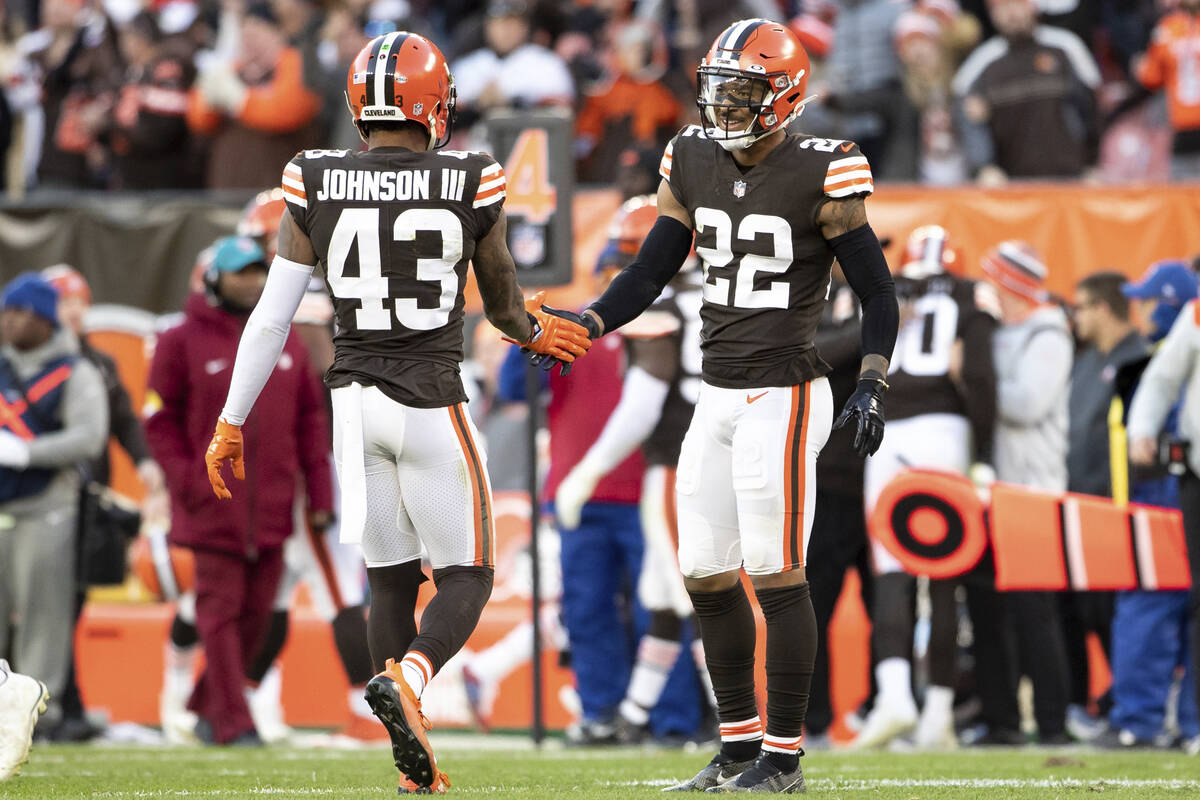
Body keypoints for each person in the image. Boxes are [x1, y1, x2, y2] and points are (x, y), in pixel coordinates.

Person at [202, 31, 591, 793]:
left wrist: (230, 419)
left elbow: (272, 319)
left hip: (354, 407)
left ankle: (408, 762)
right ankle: (413, 677)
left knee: (387, 581)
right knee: (468, 574)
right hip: (430, 401)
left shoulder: (312, 176)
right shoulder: (469, 175)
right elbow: (506, 307)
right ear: (432, 105)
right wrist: (542, 330)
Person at [525, 18, 899, 792]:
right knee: (703, 571)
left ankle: (785, 758)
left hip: (787, 393)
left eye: (744, 90)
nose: (726, 105)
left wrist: (871, 379)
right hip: (717, 392)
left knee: (775, 569)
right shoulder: (690, 155)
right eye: (720, 88)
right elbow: (652, 267)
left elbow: (876, 290)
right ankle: (737, 749)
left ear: (786, 93)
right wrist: (591, 321)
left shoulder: (825, 168)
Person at [145, 235, 334, 746]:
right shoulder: (181, 340)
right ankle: (233, 722)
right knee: (220, 611)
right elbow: (159, 420)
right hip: (212, 505)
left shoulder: (286, 340)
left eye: (258, 272)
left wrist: (320, 496)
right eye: (240, 272)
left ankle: (206, 706)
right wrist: (186, 479)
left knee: (258, 617)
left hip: (273, 504)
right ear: (212, 279)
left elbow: (311, 425)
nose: (252, 281)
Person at [554, 194, 714, 743]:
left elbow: (644, 403)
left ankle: (741, 722)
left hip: (678, 461)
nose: (627, 269)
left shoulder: (663, 305)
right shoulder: (721, 290)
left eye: (632, 254)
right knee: (662, 596)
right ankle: (635, 717)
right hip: (722, 451)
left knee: (696, 595)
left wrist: (589, 471)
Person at [852, 224, 998, 751]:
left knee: (890, 571)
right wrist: (984, 453)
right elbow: (979, 376)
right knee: (943, 575)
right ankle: (937, 715)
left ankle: (893, 697)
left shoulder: (884, 291)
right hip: (945, 434)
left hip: (887, 437)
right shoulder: (968, 292)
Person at [41, 264, 164, 742]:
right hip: (40, 501)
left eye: (77, 301)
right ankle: (56, 704)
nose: (72, 311)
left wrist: (145, 464)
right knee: (42, 607)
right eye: (62, 301)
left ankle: (65, 705)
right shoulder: (27, 365)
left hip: (86, 505)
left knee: (72, 601)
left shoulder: (97, 364)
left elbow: (125, 422)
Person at [967, 240, 1074, 745]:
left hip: (1033, 494)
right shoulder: (1002, 332)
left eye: (994, 278)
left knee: (1035, 613)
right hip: (991, 493)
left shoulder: (1049, 335)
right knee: (987, 611)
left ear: (1010, 286)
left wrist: (974, 381)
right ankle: (1000, 721)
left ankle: (1053, 722)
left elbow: (1028, 403)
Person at [0, 273, 108, 734]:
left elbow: (89, 437)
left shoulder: (73, 370)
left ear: (45, 320)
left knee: (43, 617)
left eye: (23, 313)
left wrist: (28, 452)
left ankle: (38, 711)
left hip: (46, 505)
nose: (11, 321)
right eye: (7, 311)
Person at [1101, 261, 1199, 751]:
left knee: (1148, 607)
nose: (1140, 311)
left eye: (1149, 300)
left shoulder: (1163, 360)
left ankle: (1139, 721)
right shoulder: (1153, 358)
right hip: (1159, 494)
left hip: (1164, 495)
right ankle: (1183, 723)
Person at [1062, 270, 1148, 738]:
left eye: (1081, 307)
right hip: (1079, 505)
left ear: (1103, 308)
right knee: (1086, 611)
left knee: (1122, 613)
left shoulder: (1139, 359)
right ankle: (1105, 703)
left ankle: (1135, 703)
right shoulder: (1086, 361)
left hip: (1120, 508)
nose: (1076, 317)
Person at [952, 0, 1101, 183]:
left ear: (1032, 7)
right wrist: (984, 166)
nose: (1011, 14)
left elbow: (1091, 108)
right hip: (1014, 189)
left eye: (1017, 5)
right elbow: (970, 121)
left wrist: (1093, 163)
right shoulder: (981, 63)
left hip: (1071, 179)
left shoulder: (1066, 48)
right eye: (1002, 8)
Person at [1135, 0, 1200, 180]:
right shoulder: (1167, 28)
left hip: (1184, 123)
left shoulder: (1168, 28)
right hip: (1182, 124)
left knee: (1185, 197)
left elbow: (1150, 77)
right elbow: (1151, 77)